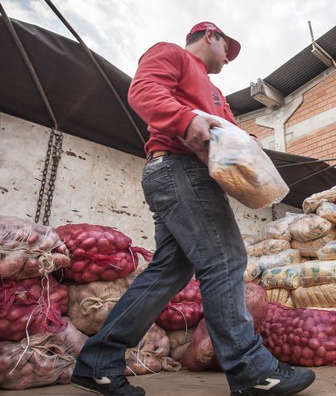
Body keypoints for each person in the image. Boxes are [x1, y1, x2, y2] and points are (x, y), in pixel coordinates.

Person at [70, 22, 316, 396]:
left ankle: (98, 363)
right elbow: (145, 90)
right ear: (210, 36)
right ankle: (251, 371)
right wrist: (185, 119)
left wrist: (247, 141)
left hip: (184, 175)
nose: (227, 60)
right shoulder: (171, 53)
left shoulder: (215, 93)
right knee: (225, 261)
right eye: (226, 50)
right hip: (177, 168)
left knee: (171, 270)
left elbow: (228, 131)